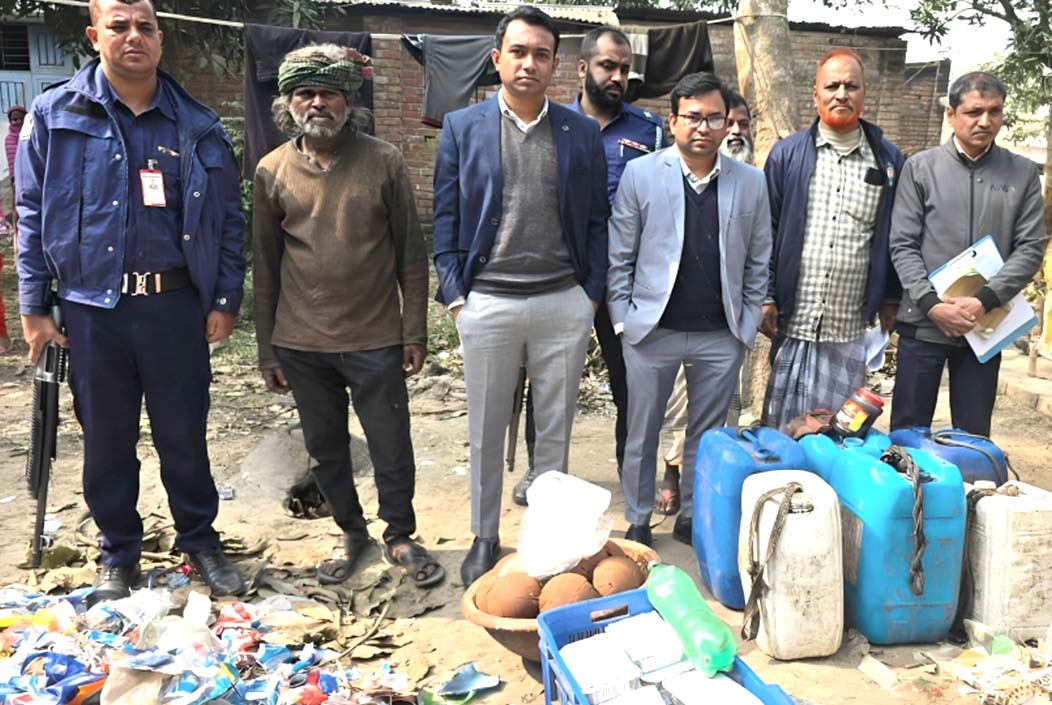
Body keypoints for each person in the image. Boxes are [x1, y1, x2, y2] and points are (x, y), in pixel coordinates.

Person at [16, 0, 247, 603]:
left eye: (145, 27)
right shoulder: (55, 114)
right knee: (107, 440)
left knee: (184, 435)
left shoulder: (196, 123)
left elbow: (228, 219)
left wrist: (225, 298)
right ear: (95, 35)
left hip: (175, 307)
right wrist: (34, 305)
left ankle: (200, 541)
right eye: (119, 26)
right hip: (93, 312)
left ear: (160, 40)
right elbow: (31, 213)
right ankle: (118, 552)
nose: (133, 36)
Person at [253, 44, 443, 588]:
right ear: (288, 103)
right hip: (302, 343)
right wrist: (267, 350)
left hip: (375, 337)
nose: (318, 103)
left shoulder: (383, 161)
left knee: (390, 443)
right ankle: (351, 532)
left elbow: (411, 254)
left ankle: (400, 534)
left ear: (348, 101)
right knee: (326, 449)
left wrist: (413, 331)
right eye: (305, 93)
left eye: (329, 93)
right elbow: (265, 265)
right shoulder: (272, 171)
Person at [432, 6, 609, 585]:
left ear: (555, 65)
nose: (529, 63)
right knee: (486, 428)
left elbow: (597, 219)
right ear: (497, 59)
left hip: (562, 301)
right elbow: (445, 217)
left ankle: (549, 544)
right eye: (518, 52)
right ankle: (485, 535)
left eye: (540, 54)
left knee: (555, 431)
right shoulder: (463, 127)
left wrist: (589, 295)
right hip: (488, 302)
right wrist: (457, 297)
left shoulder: (580, 132)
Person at [607, 72, 772, 547]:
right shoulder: (641, 175)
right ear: (673, 121)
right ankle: (639, 516)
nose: (703, 127)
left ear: (727, 123)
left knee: (708, 434)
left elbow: (759, 258)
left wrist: (746, 325)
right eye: (693, 117)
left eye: (714, 118)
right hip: (651, 331)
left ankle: (694, 516)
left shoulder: (750, 182)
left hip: (720, 334)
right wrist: (622, 321)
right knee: (642, 431)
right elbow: (620, 255)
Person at [515, 25, 664, 502]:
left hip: (626, 280)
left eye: (624, 69)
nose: (617, 77)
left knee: (630, 383)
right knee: (548, 381)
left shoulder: (650, 131)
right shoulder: (552, 124)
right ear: (582, 67)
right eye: (607, 66)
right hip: (564, 274)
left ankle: (632, 472)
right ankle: (541, 473)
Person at [889, 72, 1048, 436]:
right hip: (924, 323)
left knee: (973, 438)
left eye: (994, 111)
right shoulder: (920, 168)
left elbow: (1030, 247)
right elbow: (902, 244)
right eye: (974, 111)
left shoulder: (1022, 173)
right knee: (907, 437)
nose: (985, 121)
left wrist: (984, 300)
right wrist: (932, 304)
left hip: (986, 325)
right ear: (951, 114)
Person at [762, 48, 904, 431]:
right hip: (794, 322)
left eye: (851, 86)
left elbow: (894, 234)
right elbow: (766, 231)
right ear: (816, 94)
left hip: (848, 328)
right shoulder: (787, 155)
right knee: (784, 432)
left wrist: (890, 298)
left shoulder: (888, 161)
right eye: (832, 86)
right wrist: (766, 295)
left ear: (864, 94)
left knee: (840, 433)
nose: (842, 94)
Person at [655, 89, 753, 517]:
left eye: (742, 124)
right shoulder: (668, 175)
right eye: (726, 123)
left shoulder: (752, 181)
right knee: (677, 403)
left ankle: (704, 491)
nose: (734, 131)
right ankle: (672, 473)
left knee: (723, 409)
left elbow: (760, 251)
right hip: (675, 318)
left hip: (727, 320)